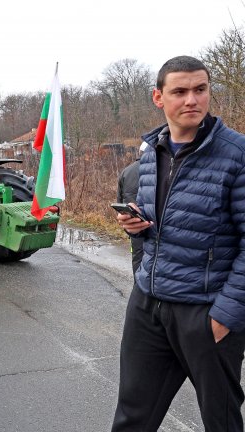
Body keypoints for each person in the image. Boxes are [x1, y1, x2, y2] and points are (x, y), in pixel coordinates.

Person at [113, 56, 245, 430]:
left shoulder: (238, 155)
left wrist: (224, 317)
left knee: (221, 422)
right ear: (159, 97)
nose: (192, 100)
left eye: (200, 90)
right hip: (148, 305)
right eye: (180, 91)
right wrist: (135, 226)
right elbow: (168, 225)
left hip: (205, 310)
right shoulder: (152, 152)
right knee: (131, 418)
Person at [116, 141, 147, 276]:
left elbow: (120, 202)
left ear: (139, 153)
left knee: (137, 259)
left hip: (133, 226)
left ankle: (138, 289)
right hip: (154, 226)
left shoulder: (126, 171)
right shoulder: (159, 170)